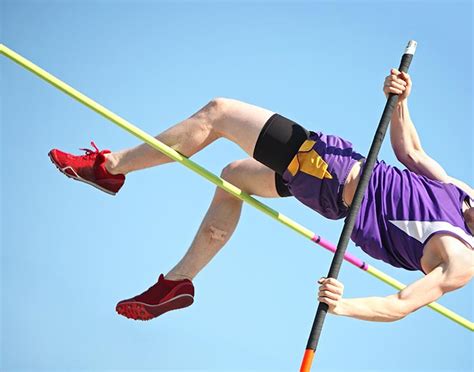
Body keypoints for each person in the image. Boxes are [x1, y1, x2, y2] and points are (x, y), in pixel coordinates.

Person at [49, 69, 474, 322]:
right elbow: (411, 152)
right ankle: (177, 283)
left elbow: (402, 304)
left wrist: (343, 306)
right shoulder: (462, 194)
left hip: (328, 170)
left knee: (218, 112)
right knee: (232, 178)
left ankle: (109, 168)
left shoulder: (461, 260)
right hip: (329, 184)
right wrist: (400, 100)